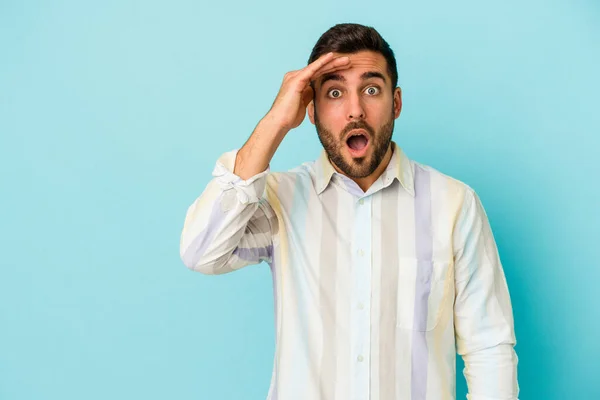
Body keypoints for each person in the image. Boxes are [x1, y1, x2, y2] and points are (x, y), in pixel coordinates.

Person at [179, 23, 519, 400]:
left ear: (396, 102)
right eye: (335, 93)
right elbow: (201, 252)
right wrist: (275, 121)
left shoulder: (455, 203)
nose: (355, 110)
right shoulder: (280, 200)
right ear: (311, 111)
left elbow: (490, 347)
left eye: (371, 90)